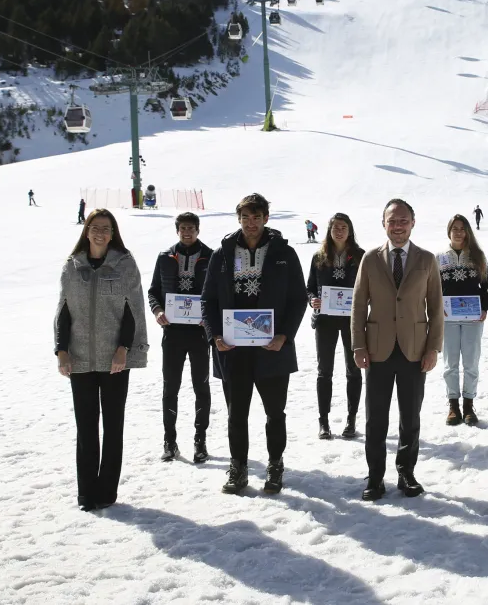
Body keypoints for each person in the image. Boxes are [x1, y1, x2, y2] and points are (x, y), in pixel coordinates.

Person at [201, 193, 307, 495]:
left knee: (275, 412)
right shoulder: (222, 254)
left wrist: (284, 336)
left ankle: (275, 465)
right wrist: (215, 336)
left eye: (256, 217)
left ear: (266, 218)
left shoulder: (284, 253)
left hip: (272, 349)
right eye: (245, 217)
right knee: (237, 413)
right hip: (232, 350)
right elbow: (207, 300)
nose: (251, 223)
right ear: (239, 219)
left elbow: (298, 299)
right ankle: (239, 467)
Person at [54, 209, 149, 511]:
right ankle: (86, 493)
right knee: (85, 428)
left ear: (113, 233)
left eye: (106, 229)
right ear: (86, 230)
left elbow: (133, 309)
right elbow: (63, 311)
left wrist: (124, 348)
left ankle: (106, 492)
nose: (100, 233)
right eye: (95, 227)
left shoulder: (125, 265)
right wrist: (61, 350)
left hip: (113, 360)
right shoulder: (72, 267)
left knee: (112, 425)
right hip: (79, 357)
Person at [352, 199, 444, 501]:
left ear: (413, 223)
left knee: (410, 417)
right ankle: (375, 477)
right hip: (377, 350)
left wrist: (433, 349)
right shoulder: (370, 259)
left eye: (403, 220)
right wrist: (358, 345)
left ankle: (407, 473)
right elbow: (357, 306)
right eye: (392, 221)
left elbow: (436, 308)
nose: (398, 226)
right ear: (383, 224)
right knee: (375, 418)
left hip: (414, 351)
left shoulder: (427, 259)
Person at [148, 212, 214, 464]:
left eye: (191, 228)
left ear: (198, 229)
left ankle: (200, 440)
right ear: (177, 230)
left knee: (201, 387)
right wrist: (158, 311)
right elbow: (154, 291)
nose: (187, 232)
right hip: (173, 333)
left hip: (198, 334)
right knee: (170, 387)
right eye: (183, 228)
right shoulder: (165, 257)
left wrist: (206, 316)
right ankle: (170, 441)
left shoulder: (210, 255)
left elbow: (216, 293)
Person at [307, 213, 365, 440]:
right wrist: (313, 300)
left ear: (350, 230)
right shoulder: (319, 256)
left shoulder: (361, 256)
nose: (339, 231)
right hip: (325, 321)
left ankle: (351, 419)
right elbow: (310, 287)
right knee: (325, 371)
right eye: (335, 227)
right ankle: (324, 421)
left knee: (354, 369)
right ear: (329, 231)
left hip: (353, 321)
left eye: (343, 227)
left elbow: (369, 287)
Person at [437, 214, 488, 426]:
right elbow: (433, 288)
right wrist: (437, 307)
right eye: (454, 228)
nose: (458, 232)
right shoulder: (439, 258)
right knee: (450, 362)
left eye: (462, 228)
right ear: (449, 231)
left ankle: (468, 404)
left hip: (472, 317)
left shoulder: (478, 256)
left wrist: (484, 307)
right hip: (448, 317)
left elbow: (485, 286)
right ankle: (453, 405)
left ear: (468, 231)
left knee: (471, 361)